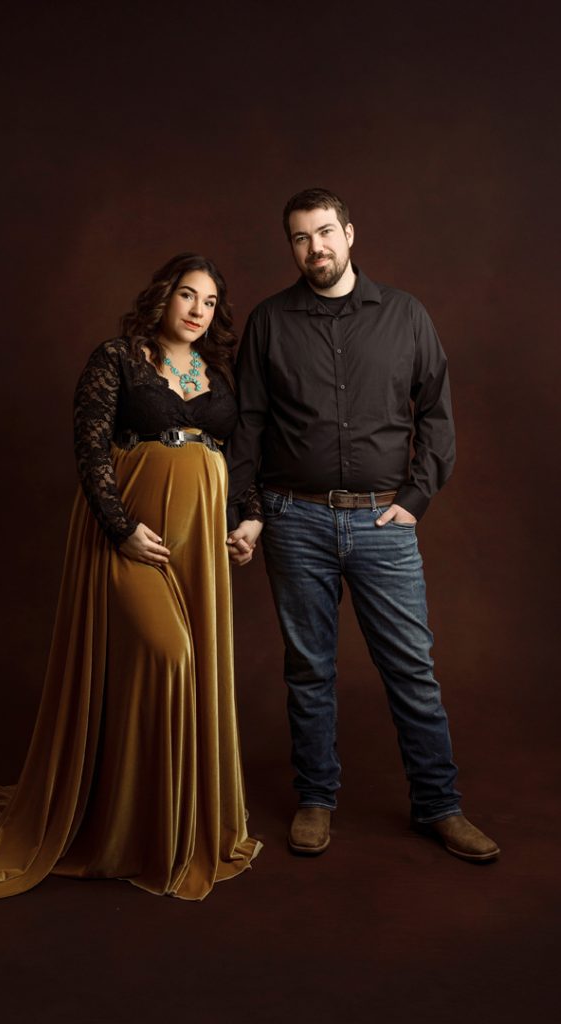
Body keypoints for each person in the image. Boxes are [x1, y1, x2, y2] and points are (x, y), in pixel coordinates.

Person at [0, 252, 262, 916]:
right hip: (131, 532)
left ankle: (162, 830)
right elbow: (88, 448)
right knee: (167, 656)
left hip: (200, 541)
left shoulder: (217, 374)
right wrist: (119, 527)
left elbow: (231, 458)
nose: (198, 309)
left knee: (184, 669)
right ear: (162, 297)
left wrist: (243, 521)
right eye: (187, 295)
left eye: (209, 300)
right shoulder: (116, 356)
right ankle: (122, 826)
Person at [226, 188, 499, 863]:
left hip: (384, 522)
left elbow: (435, 411)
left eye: (324, 232)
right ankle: (316, 800)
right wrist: (249, 512)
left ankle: (438, 806)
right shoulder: (268, 322)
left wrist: (416, 496)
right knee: (308, 670)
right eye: (298, 237)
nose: (313, 247)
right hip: (293, 520)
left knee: (410, 669)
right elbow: (246, 427)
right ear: (289, 247)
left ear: (349, 233)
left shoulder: (404, 315)